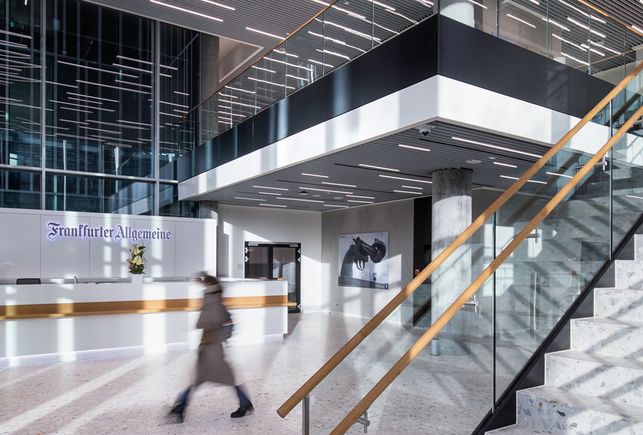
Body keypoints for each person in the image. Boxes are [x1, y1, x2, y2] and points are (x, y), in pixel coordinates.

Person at [168, 274, 253, 423]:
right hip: (209, 347)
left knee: (210, 378)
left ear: (209, 286)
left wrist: (214, 332)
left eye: (205, 285)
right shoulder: (212, 298)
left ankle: (179, 408)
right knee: (199, 379)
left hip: (212, 348)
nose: (203, 287)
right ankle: (179, 408)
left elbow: (218, 320)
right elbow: (225, 320)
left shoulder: (212, 301)